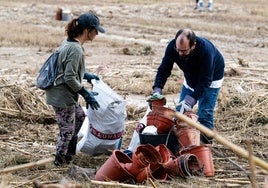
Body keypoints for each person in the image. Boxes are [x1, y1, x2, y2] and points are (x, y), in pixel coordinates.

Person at [45, 13, 105, 166]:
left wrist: (87, 75)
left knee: (79, 117)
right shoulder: (75, 49)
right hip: (62, 96)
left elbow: (69, 70)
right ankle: (59, 162)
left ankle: (69, 153)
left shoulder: (70, 43)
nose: (97, 33)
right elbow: (69, 77)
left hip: (65, 92)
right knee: (66, 130)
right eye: (95, 30)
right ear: (87, 30)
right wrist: (86, 93)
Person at [152, 28, 225, 144]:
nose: (180, 54)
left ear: (193, 45)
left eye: (184, 51)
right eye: (178, 50)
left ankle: (205, 144)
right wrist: (157, 89)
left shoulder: (206, 51)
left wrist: (191, 100)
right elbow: (164, 69)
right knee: (181, 113)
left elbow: (206, 80)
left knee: (205, 113)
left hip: (211, 78)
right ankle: (181, 142)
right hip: (191, 76)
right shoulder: (173, 47)